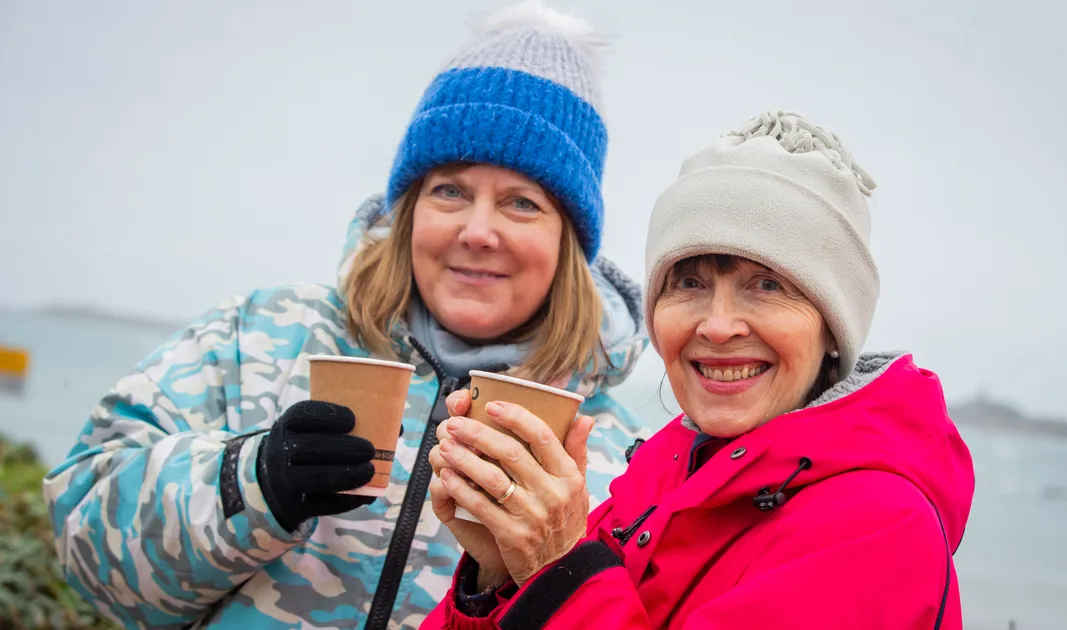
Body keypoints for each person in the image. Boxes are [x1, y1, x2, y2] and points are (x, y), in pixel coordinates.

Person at [42, 3, 649, 629]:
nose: (478, 231)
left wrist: (537, 573)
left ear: (570, 242)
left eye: (522, 203)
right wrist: (254, 481)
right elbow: (83, 551)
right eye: (450, 190)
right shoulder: (259, 337)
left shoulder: (616, 461)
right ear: (408, 208)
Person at [422, 110, 976, 629]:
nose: (717, 326)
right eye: (689, 282)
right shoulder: (655, 485)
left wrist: (559, 571)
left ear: (833, 327)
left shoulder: (879, 527)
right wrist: (498, 579)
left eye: (768, 285)